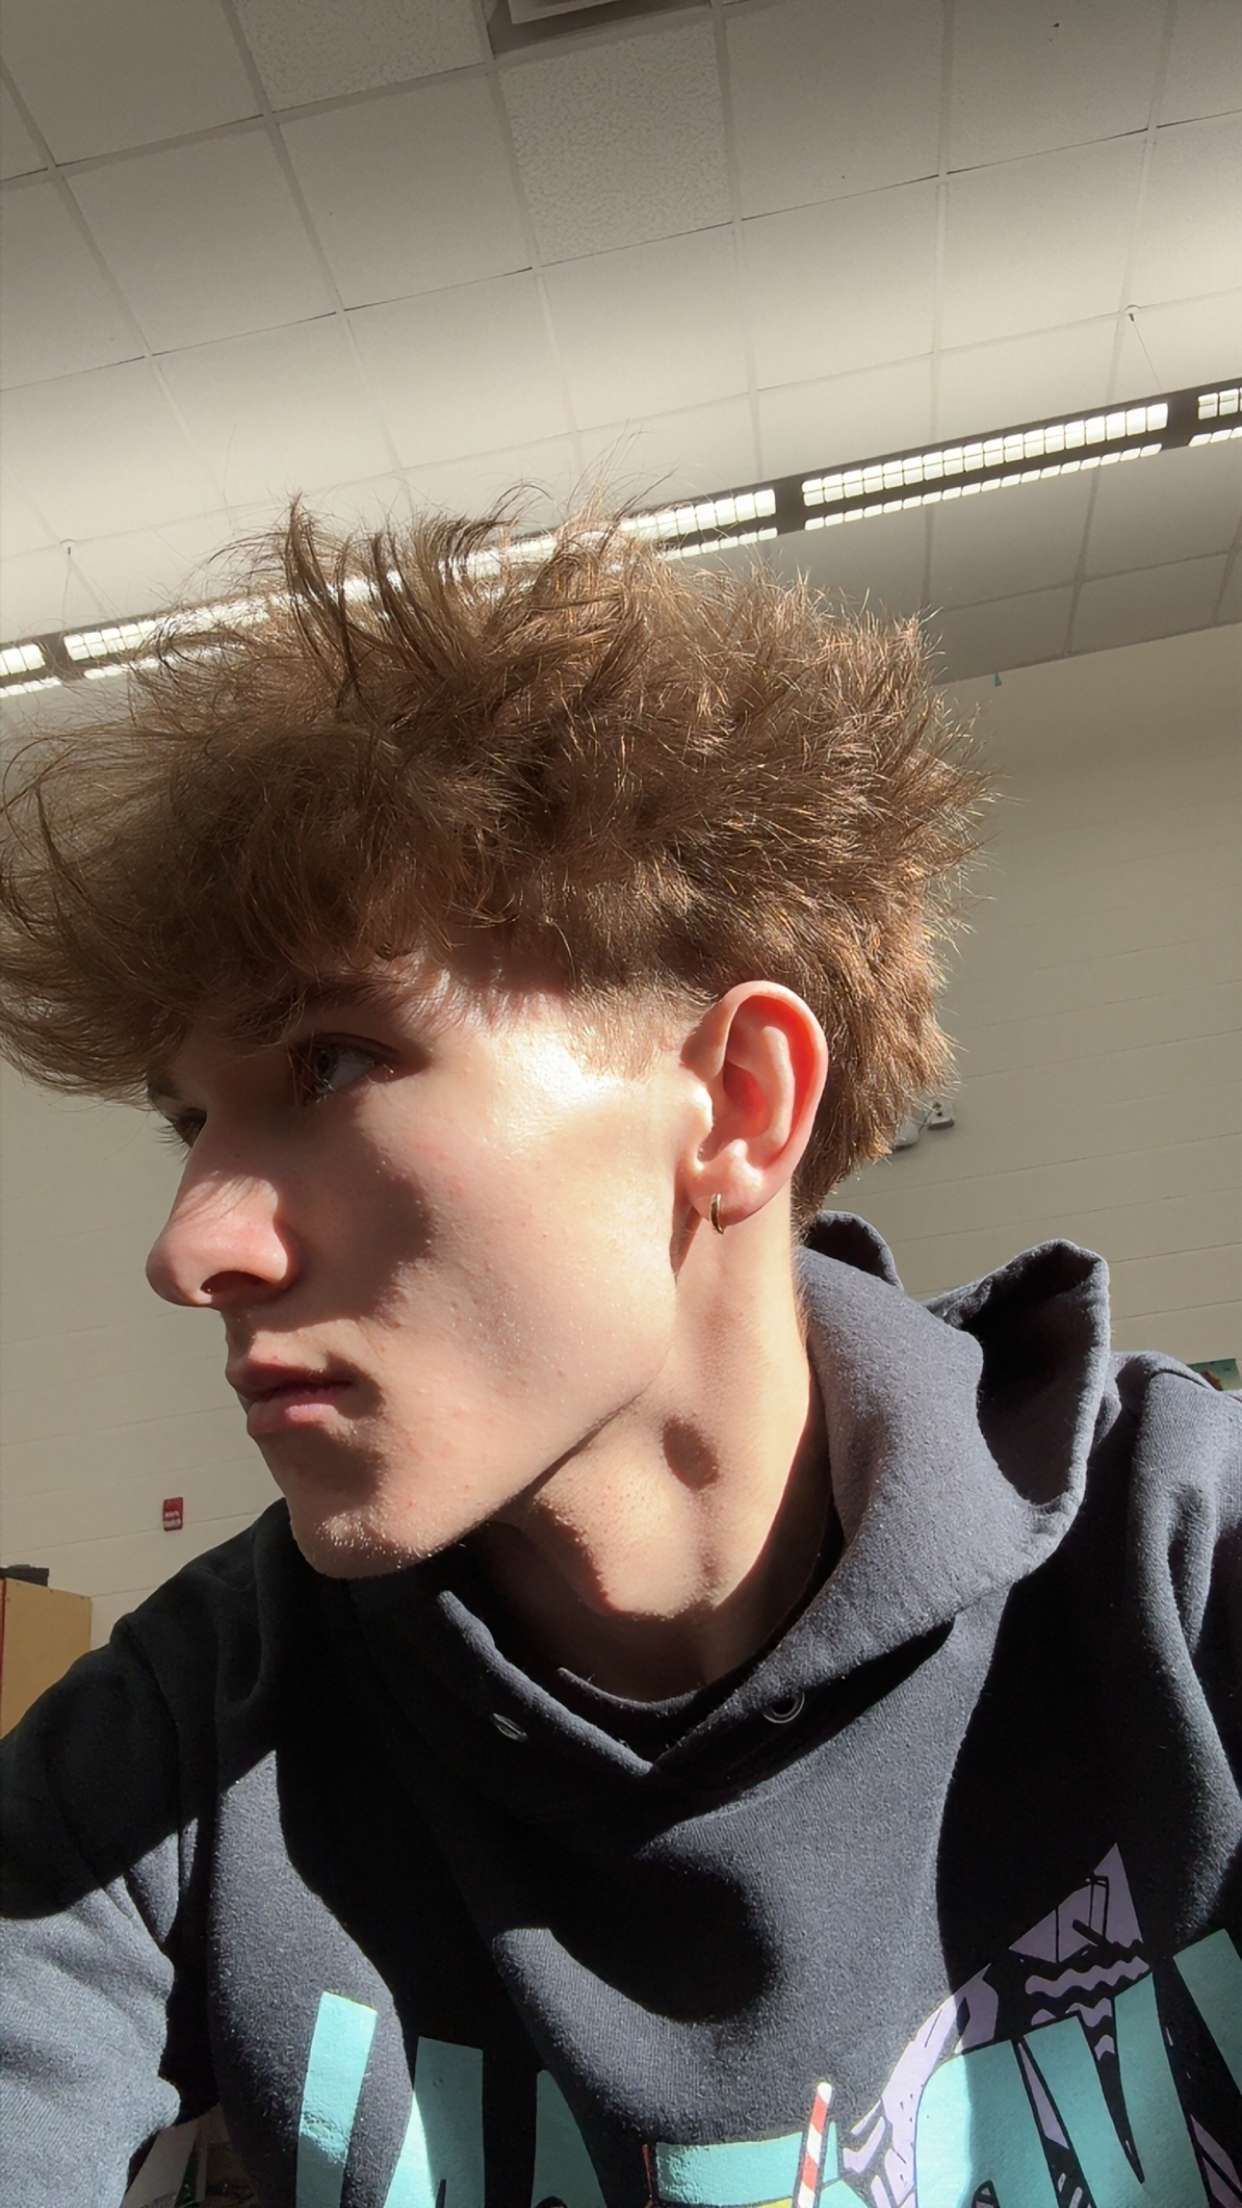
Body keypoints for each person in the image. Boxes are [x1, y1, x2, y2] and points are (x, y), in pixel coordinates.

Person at [0, 491, 1237, 2208]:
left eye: (330, 1065)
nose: (191, 1247)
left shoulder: (1184, 1579)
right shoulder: (182, 1744)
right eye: (190, 1121)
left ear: (733, 1104)